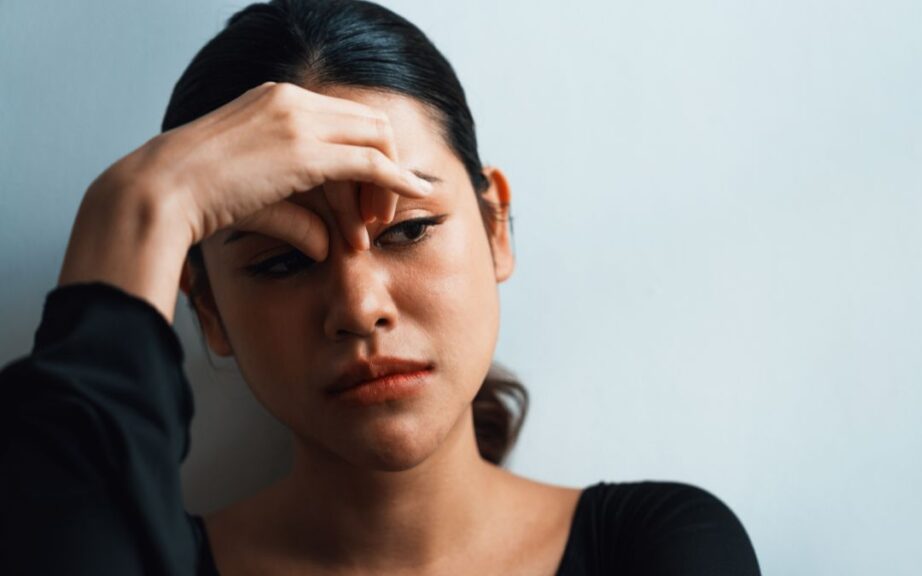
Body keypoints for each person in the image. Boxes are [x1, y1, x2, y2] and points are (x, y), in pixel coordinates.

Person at [0, 0, 761, 574]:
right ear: (208, 311)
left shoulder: (655, 547)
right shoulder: (138, 553)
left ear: (497, 227)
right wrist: (137, 209)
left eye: (407, 230)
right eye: (279, 262)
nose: (360, 309)